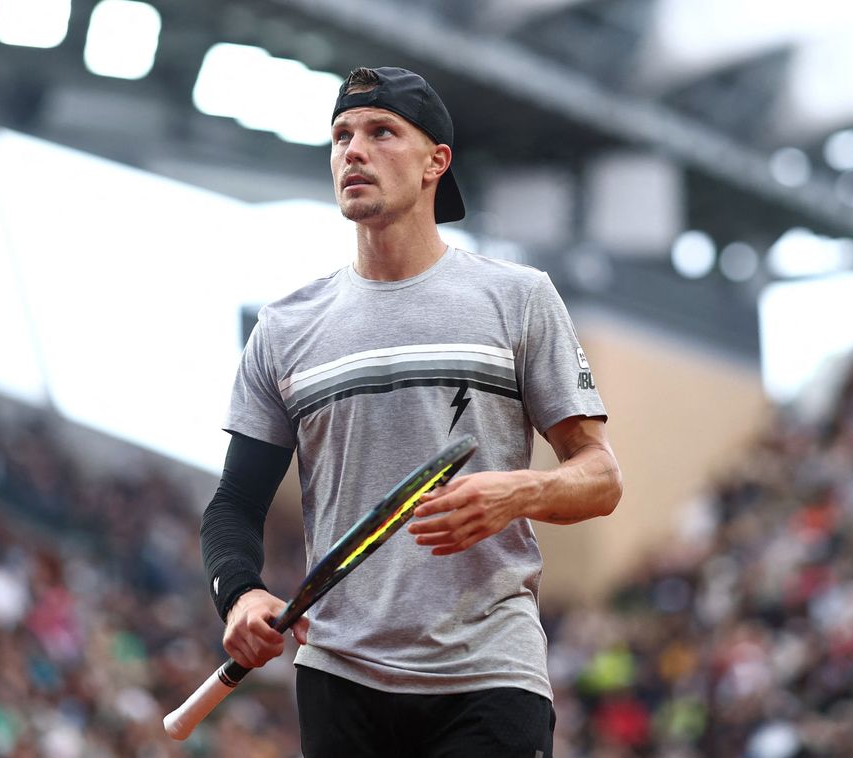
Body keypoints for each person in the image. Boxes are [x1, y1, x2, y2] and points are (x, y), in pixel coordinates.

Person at [199, 65, 622, 757]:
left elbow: (601, 477)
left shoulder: (517, 299)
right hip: (340, 675)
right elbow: (232, 505)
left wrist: (519, 491)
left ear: (435, 162)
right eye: (340, 136)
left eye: (380, 132)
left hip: (489, 669)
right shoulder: (284, 328)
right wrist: (241, 594)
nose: (352, 151)